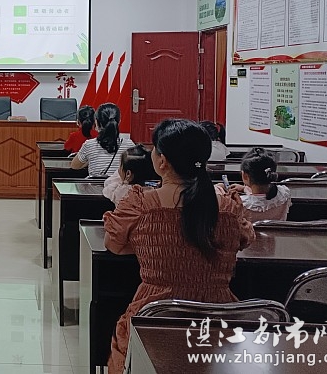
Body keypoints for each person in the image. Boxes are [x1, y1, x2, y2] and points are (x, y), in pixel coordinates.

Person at [104, 119, 255, 373]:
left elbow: (114, 245)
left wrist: (149, 244)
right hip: (218, 322)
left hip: (155, 320)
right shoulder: (227, 207)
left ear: (162, 161)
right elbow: (245, 239)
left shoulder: (141, 204)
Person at [225, 147, 291, 223]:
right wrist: (244, 189)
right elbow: (260, 198)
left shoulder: (240, 204)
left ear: (245, 176)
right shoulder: (284, 194)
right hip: (279, 231)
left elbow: (257, 199)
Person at [71, 103, 134, 177]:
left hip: (94, 185)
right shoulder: (129, 145)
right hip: (119, 184)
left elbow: (74, 166)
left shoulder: (89, 145)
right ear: (119, 121)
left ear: (96, 122)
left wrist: (89, 160)